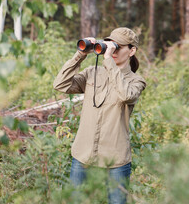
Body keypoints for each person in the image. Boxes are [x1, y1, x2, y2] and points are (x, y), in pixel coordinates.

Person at [53, 27, 146, 204]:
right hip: (83, 155)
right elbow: (60, 85)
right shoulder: (92, 72)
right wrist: (80, 55)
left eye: (117, 47)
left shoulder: (136, 81)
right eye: (110, 45)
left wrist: (109, 61)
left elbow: (127, 95)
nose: (113, 51)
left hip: (116, 159)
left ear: (132, 50)